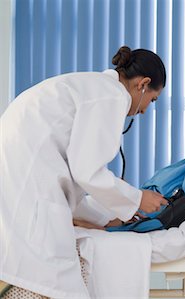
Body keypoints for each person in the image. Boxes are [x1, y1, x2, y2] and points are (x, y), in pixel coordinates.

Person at [0, 46, 168, 298]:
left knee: (41, 276)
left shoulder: (91, 88)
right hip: (30, 187)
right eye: (152, 100)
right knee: (55, 282)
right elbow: (87, 172)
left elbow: (73, 185)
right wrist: (138, 199)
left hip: (21, 178)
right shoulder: (111, 96)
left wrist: (105, 218)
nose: (145, 110)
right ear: (143, 84)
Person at [74, 100, 185, 233]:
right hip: (123, 211)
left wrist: (107, 229)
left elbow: (168, 219)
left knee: (64, 211)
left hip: (122, 218)